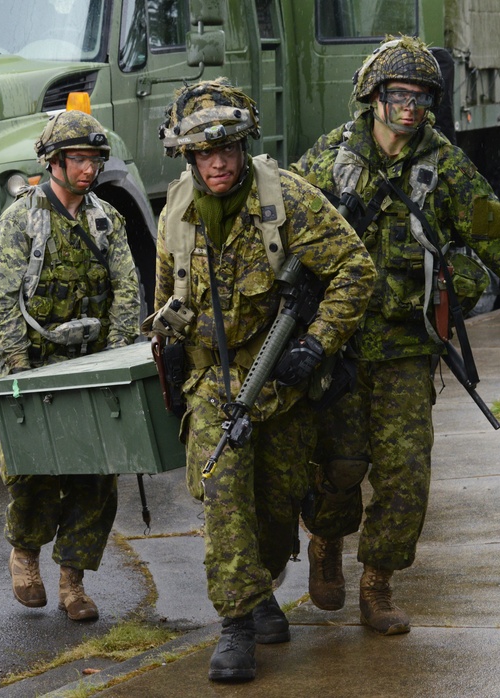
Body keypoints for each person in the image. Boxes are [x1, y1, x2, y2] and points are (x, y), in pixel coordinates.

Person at [290, 36, 500, 635]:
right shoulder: (325, 161)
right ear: (372, 97)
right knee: (337, 467)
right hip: (336, 349)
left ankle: (379, 584)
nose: (410, 107)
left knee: (406, 474)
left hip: (405, 351)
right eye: (398, 94)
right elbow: (278, 232)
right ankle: (326, 544)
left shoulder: (444, 167)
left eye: (421, 96)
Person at [150, 78, 375, 682]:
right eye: (203, 152)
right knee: (224, 502)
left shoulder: (287, 202)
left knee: (274, 515)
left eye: (226, 148)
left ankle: (263, 588)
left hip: (280, 390)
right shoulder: (176, 211)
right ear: (187, 156)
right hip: (212, 391)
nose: (216, 161)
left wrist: (315, 342)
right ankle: (236, 626)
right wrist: (167, 349)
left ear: (244, 145)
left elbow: (356, 268)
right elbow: (166, 292)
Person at [0, 110, 140, 622]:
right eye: (78, 159)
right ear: (53, 162)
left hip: (91, 361)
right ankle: (24, 556)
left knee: (96, 475)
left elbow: (127, 291)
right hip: (33, 362)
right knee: (31, 471)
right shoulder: (21, 219)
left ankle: (73, 581)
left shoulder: (106, 219)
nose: (88, 169)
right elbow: (3, 299)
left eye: (95, 160)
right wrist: (17, 366)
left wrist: (116, 357)